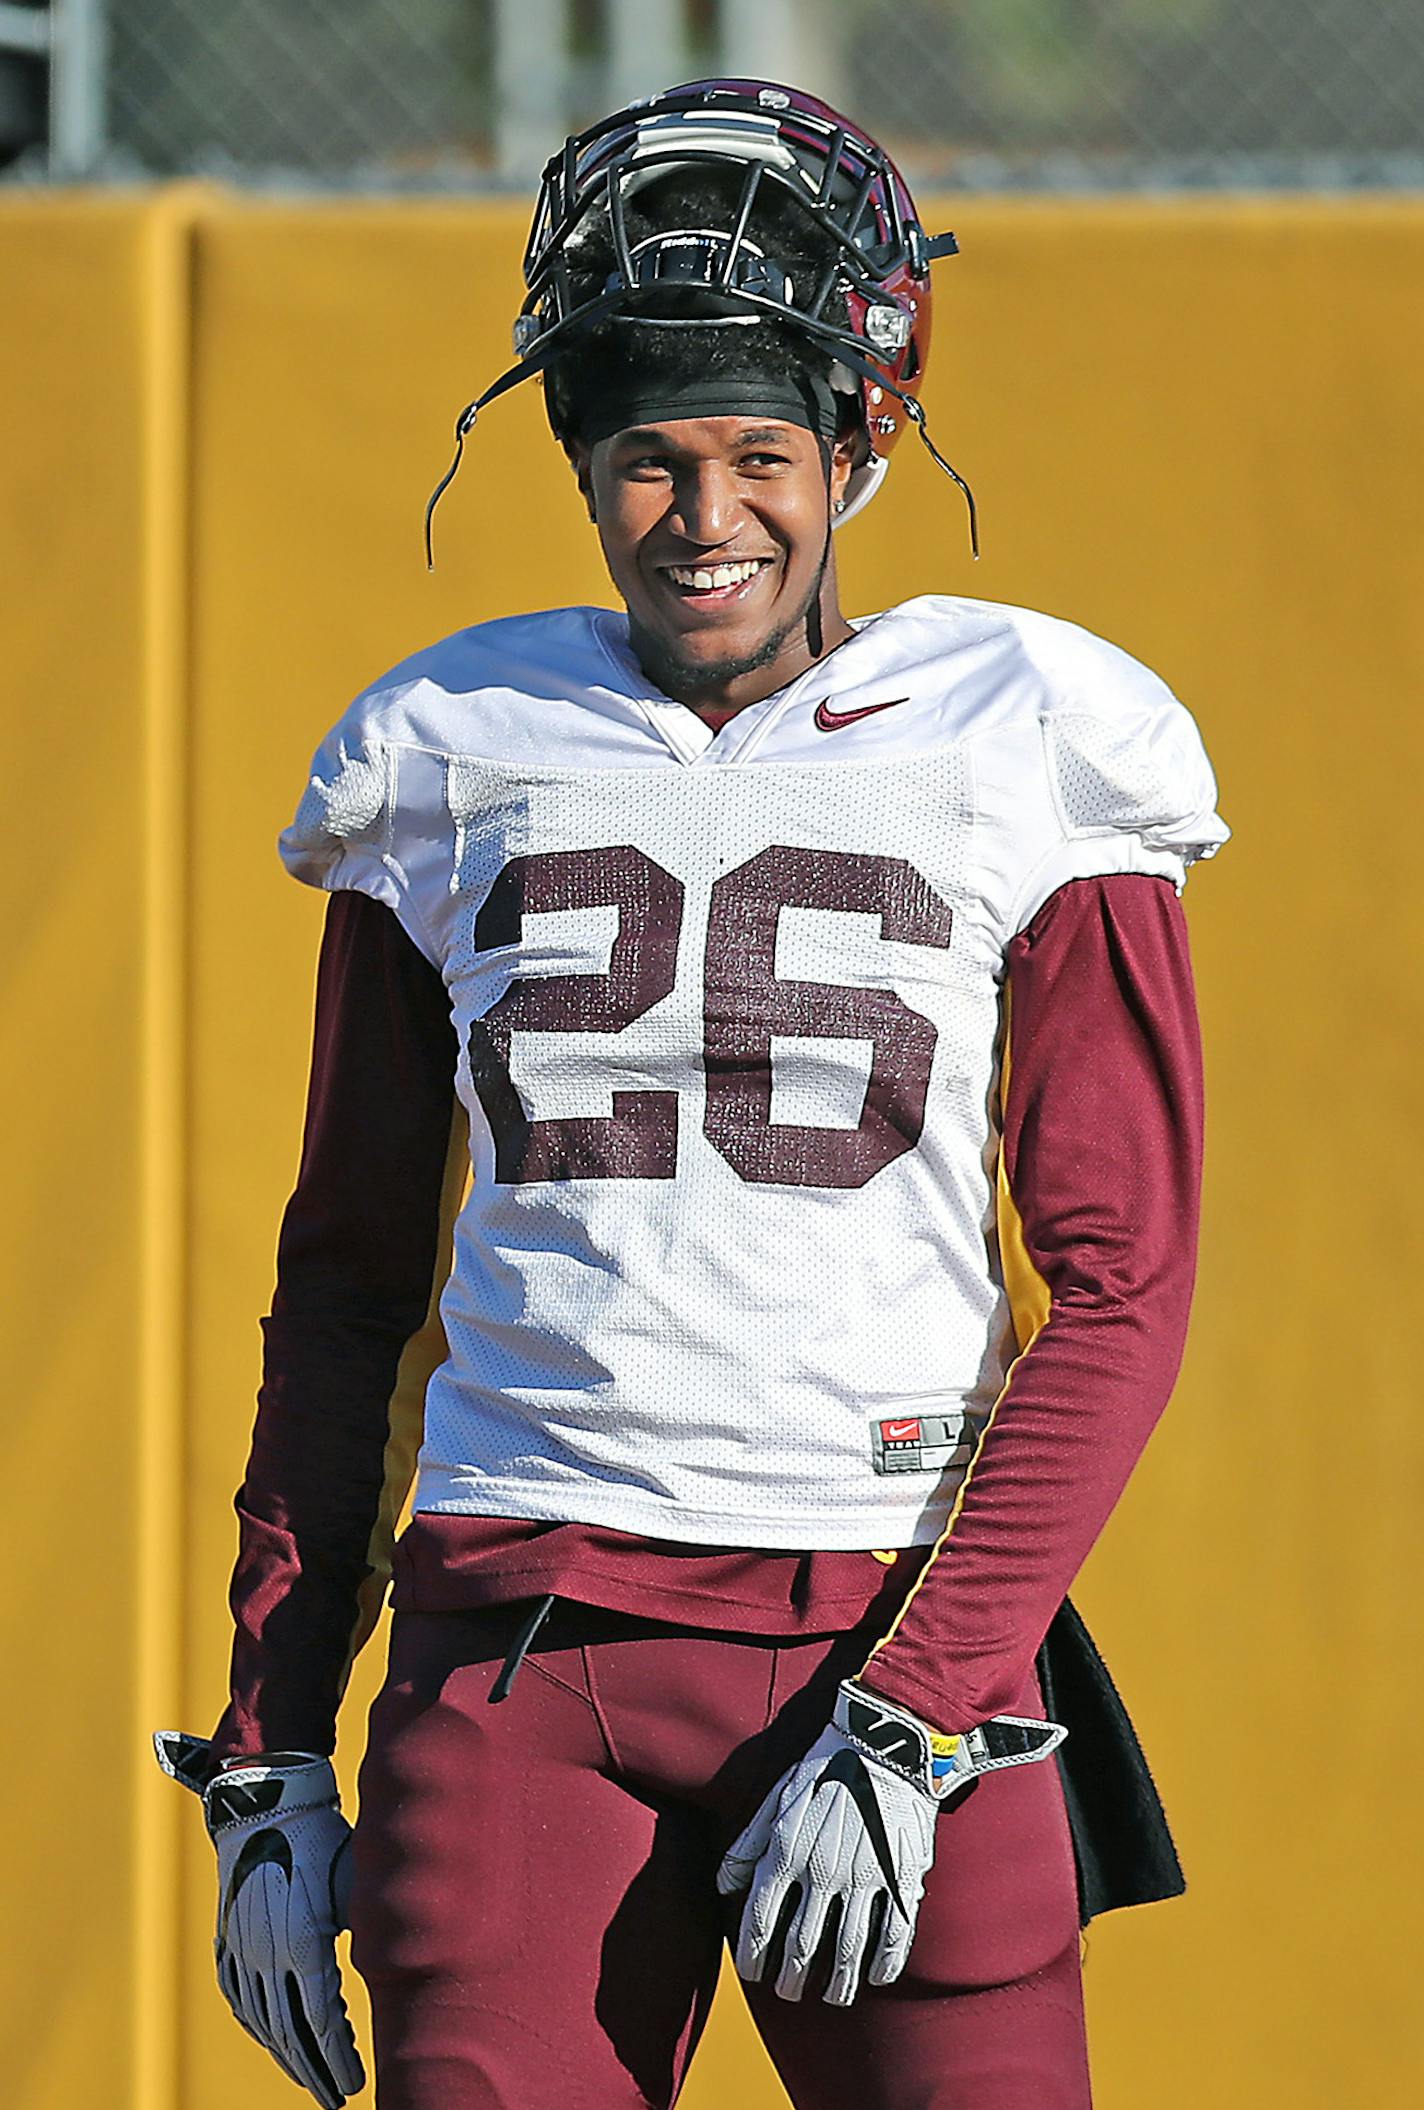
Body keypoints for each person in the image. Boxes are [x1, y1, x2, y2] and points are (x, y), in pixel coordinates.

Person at [156, 78, 1228, 2110]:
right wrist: (270, 1737)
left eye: (758, 453)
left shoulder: (1026, 736)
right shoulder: (455, 744)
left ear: (858, 446)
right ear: (581, 470)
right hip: (520, 1641)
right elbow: (350, 1282)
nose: (706, 515)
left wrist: (922, 1708)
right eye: (649, 459)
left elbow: (1123, 1280)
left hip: (894, 1621)